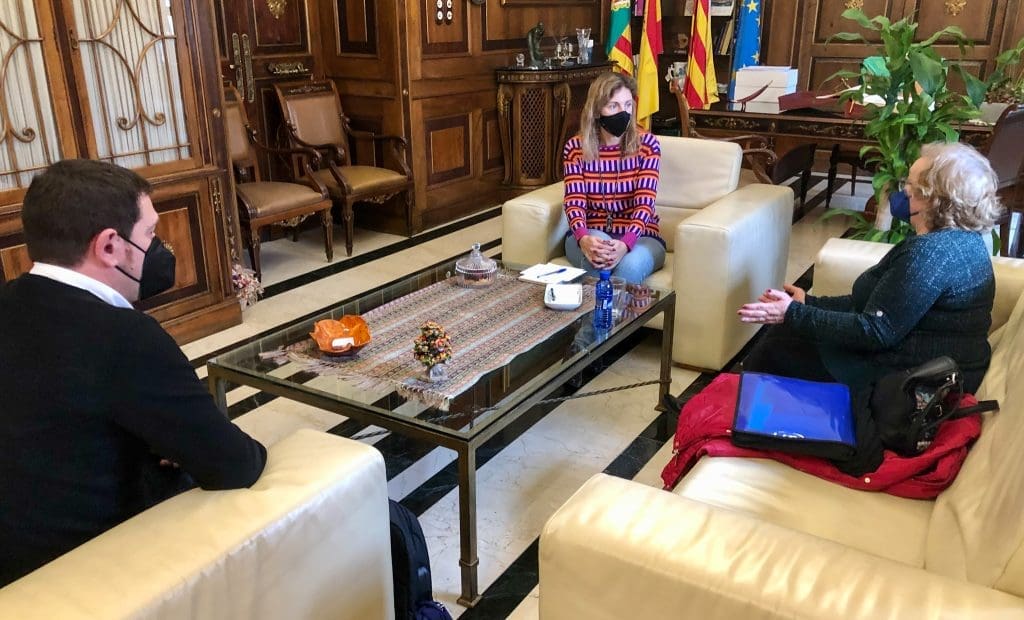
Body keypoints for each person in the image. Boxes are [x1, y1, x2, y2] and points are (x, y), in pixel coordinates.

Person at [0, 160, 267, 586]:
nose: (159, 247)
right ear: (110, 246)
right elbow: (235, 464)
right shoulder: (123, 336)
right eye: (150, 234)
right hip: (89, 568)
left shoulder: (12, 302)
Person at [737, 142, 1001, 394]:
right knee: (784, 335)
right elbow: (875, 307)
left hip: (913, 377)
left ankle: (741, 415)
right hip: (917, 359)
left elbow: (875, 331)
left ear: (931, 198)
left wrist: (793, 313)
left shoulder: (931, 254)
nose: (903, 191)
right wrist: (808, 302)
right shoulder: (959, 239)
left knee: (776, 349)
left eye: (909, 184)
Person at [562, 72, 665, 284]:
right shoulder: (575, 148)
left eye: (627, 105)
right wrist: (583, 238)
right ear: (596, 110)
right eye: (613, 106)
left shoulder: (647, 145)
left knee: (628, 269)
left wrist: (626, 243)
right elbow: (574, 202)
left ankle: (598, 307)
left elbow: (645, 204)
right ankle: (600, 305)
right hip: (591, 233)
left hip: (641, 236)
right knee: (598, 258)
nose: (623, 112)